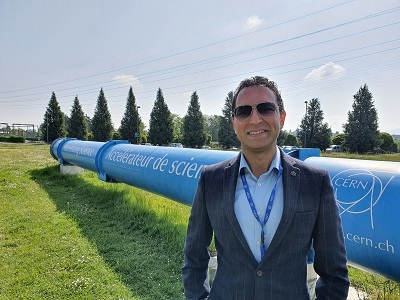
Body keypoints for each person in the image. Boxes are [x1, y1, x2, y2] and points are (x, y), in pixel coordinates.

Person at [182, 76, 349, 299]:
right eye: (244, 112)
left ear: (282, 117)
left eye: (265, 108)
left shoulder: (314, 182)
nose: (255, 119)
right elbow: (194, 258)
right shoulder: (211, 180)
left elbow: (334, 272)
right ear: (234, 123)